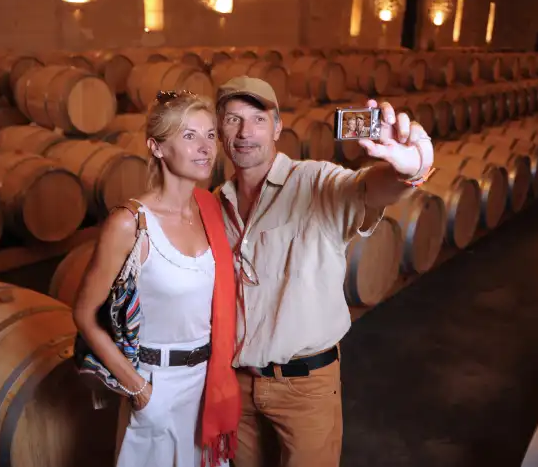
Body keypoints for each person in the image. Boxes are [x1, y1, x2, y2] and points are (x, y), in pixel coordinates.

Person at [213, 76, 435, 467]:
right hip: (237, 382)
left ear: (278, 127)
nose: (245, 132)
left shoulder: (315, 182)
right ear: (219, 129)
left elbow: (367, 189)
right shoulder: (217, 202)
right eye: (232, 120)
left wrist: (410, 170)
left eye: (258, 119)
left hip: (303, 386)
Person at [72, 90, 241, 467]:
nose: (205, 148)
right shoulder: (131, 223)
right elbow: (84, 315)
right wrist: (139, 389)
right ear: (157, 147)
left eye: (211, 135)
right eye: (189, 136)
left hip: (207, 382)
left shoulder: (211, 208)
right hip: (156, 383)